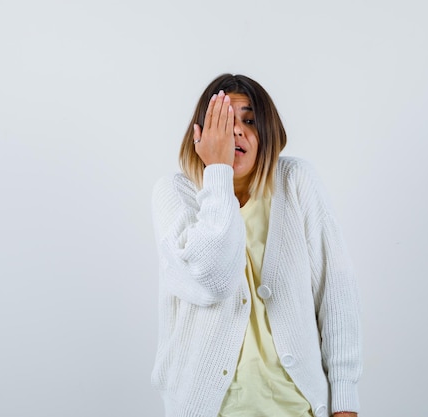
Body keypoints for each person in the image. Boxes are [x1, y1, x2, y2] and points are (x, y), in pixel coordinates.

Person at [150, 74, 362, 417]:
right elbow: (212, 282)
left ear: (268, 131)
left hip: (298, 406)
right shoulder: (174, 194)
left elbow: (336, 293)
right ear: (200, 135)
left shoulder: (297, 182)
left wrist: (345, 402)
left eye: (248, 120)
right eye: (222, 122)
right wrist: (217, 171)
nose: (235, 131)